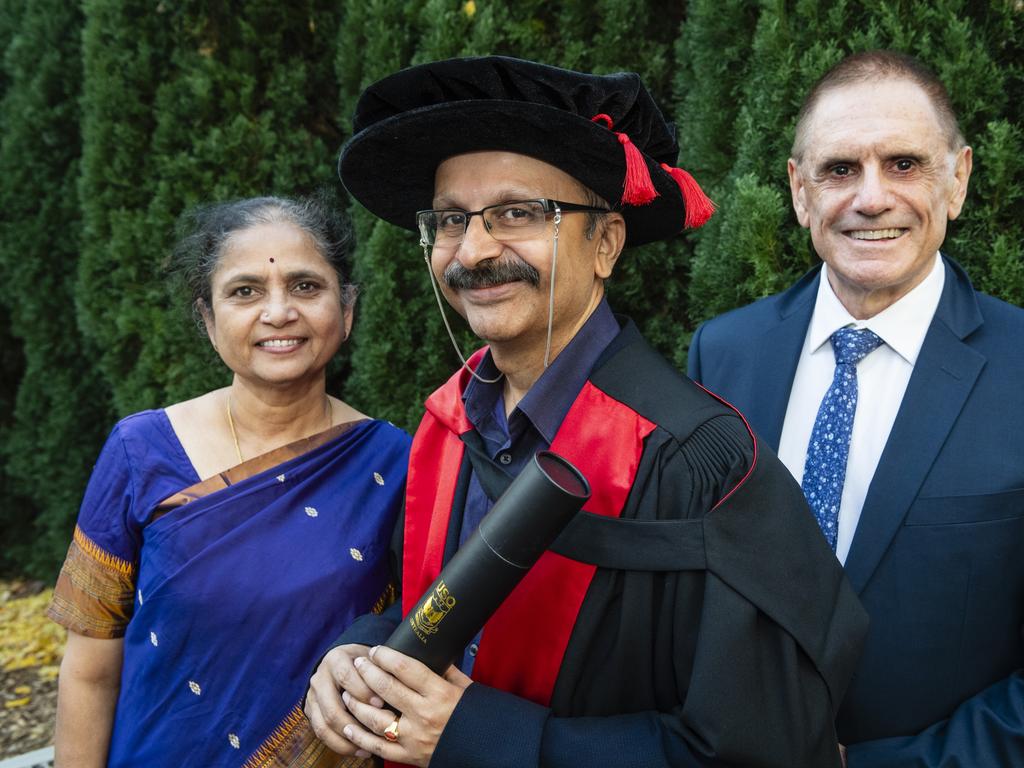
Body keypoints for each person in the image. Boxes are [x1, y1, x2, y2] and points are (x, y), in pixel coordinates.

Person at [303, 56, 868, 768]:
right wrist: (357, 652)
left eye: (516, 213)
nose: (473, 250)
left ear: (605, 243)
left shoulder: (697, 462)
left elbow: (762, 751)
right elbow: (433, 609)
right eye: (451, 219)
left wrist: (477, 736)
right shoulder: (451, 423)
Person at [688, 50, 1024, 767]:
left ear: (958, 180)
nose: (871, 197)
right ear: (799, 190)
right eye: (840, 169)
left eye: (905, 164)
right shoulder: (723, 355)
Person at [48, 195, 411, 768]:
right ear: (208, 319)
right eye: (244, 292)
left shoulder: (395, 465)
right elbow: (90, 671)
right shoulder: (141, 450)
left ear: (348, 310)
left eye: (306, 287)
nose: (278, 312)